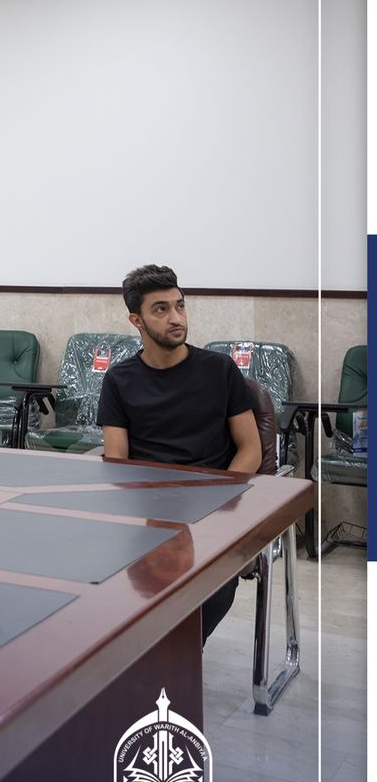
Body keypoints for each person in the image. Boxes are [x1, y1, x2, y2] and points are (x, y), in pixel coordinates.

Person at [98, 263, 260, 644]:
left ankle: (176, 656)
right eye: (161, 309)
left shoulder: (219, 370)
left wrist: (214, 504)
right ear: (136, 320)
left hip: (213, 506)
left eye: (180, 306)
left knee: (206, 591)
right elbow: (117, 464)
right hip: (148, 511)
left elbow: (251, 449)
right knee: (105, 583)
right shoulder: (119, 380)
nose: (176, 318)